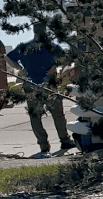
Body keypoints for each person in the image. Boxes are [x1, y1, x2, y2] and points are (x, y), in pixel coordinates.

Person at [7, 23, 75, 155]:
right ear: (46, 31)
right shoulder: (52, 47)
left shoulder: (24, 46)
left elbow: (8, 58)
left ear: (33, 31)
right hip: (49, 85)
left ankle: (43, 145)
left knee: (35, 117)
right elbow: (66, 61)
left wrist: (20, 69)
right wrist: (56, 69)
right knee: (58, 115)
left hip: (30, 85)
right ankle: (64, 140)